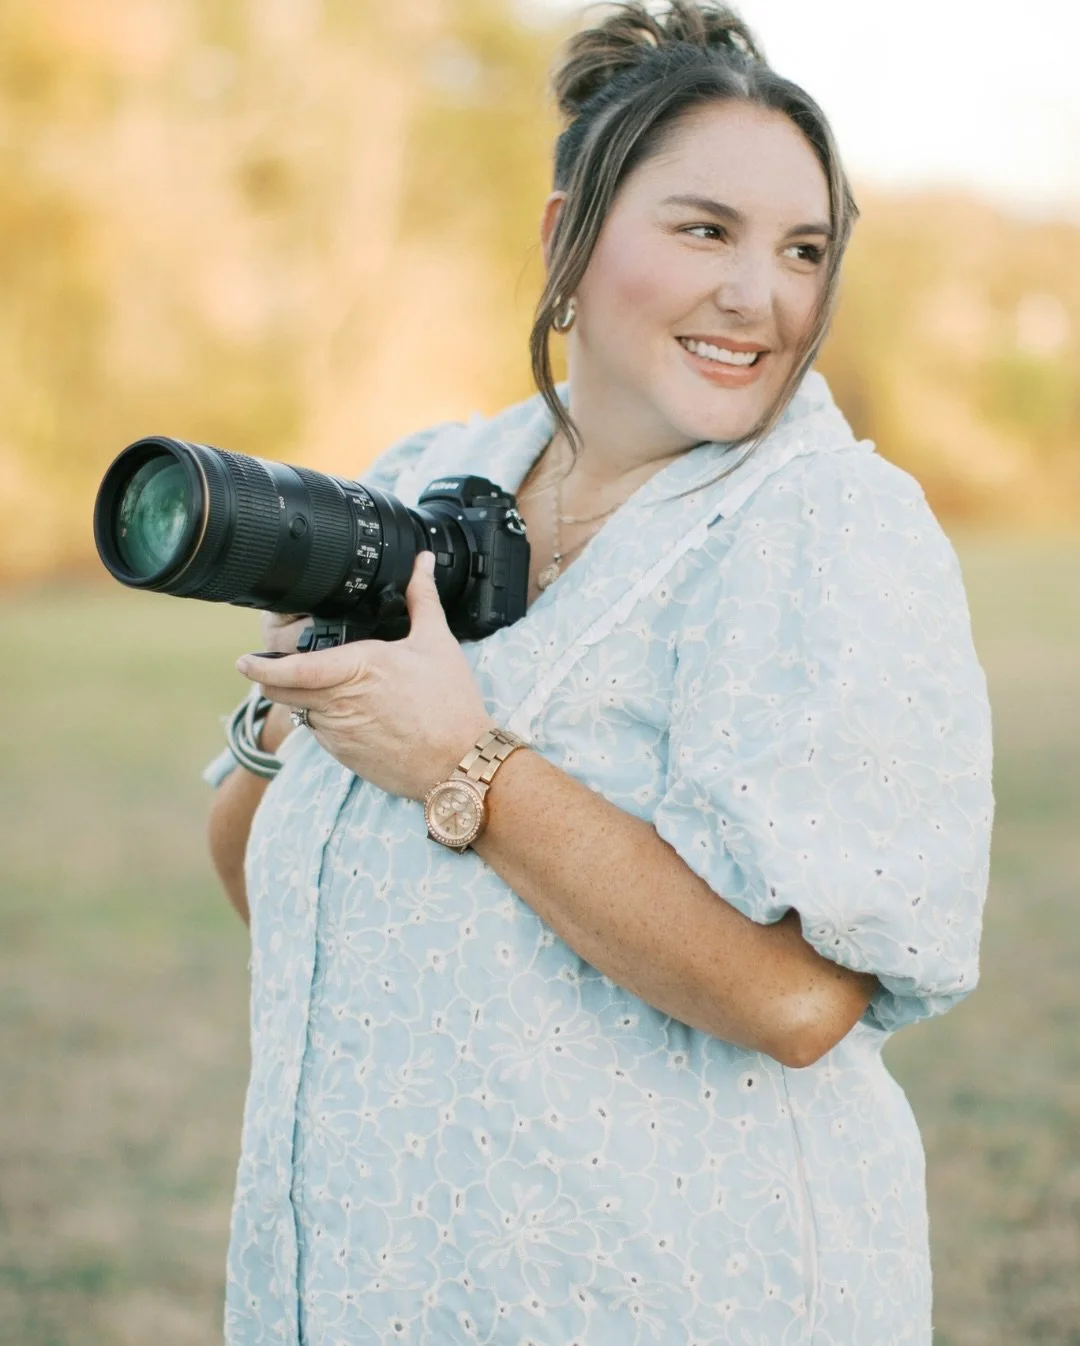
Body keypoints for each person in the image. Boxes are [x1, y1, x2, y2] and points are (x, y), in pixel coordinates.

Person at [207, 3, 993, 1342]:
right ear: (566, 242)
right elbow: (279, 886)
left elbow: (804, 998)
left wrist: (467, 763)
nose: (762, 294)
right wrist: (288, 707)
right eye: (705, 229)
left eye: (804, 249)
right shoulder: (419, 478)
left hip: (667, 1290)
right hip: (374, 1278)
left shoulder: (829, 528)